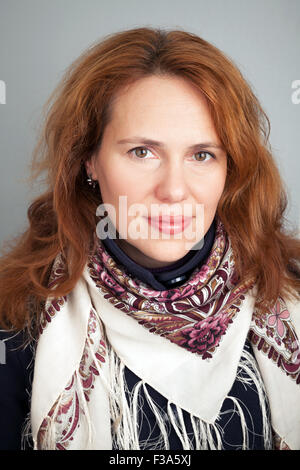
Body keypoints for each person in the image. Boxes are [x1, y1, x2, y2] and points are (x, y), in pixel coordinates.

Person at [0, 26, 300, 451]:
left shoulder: (290, 299)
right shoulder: (15, 329)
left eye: (202, 155)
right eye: (143, 152)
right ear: (89, 159)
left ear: (229, 168)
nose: (174, 190)